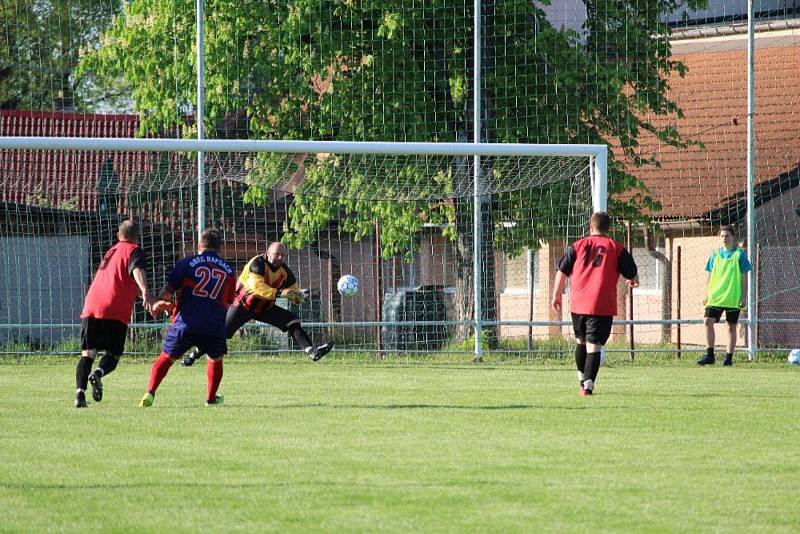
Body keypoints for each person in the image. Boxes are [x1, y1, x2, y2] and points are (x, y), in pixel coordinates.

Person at [179, 241, 332, 367]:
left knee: (292, 320)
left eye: (282, 255)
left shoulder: (285, 272)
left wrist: (299, 298)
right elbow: (257, 288)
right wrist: (280, 294)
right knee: (220, 334)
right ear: (268, 253)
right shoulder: (257, 263)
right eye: (276, 254)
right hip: (243, 305)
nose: (279, 257)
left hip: (265, 308)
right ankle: (192, 356)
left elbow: (293, 291)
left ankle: (312, 351)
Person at [139, 228, 236, 407]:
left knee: (166, 358)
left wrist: (159, 303)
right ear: (220, 248)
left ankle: (149, 393)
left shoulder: (186, 263)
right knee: (215, 360)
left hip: (185, 323)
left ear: (200, 245)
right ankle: (210, 398)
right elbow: (229, 301)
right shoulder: (229, 270)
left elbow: (168, 292)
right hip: (213, 325)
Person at [551, 212, 639, 396]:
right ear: (609, 228)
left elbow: (561, 271)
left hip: (578, 304)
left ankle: (582, 381)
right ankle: (588, 388)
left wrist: (556, 295)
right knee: (594, 346)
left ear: (591, 227)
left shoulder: (577, 246)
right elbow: (632, 273)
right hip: (600, 305)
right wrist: (633, 280)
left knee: (580, 343)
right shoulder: (616, 247)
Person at [75, 220, 155, 408]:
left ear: (118, 235)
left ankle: (79, 395)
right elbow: (136, 269)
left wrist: (144, 295)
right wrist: (145, 291)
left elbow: (123, 277)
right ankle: (99, 373)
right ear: (137, 237)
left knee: (88, 353)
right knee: (113, 355)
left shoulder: (111, 252)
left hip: (92, 306)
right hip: (114, 308)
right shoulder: (133, 250)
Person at [697, 225, 752, 366]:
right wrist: (706, 294)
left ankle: (728, 358)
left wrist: (744, 296)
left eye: (727, 235)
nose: (725, 238)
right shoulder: (715, 254)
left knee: (731, 326)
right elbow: (709, 275)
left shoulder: (740, 255)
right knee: (707, 321)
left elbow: (745, 277)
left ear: (733, 237)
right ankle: (710, 355)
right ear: (719, 238)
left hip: (732, 297)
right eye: (722, 236)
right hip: (715, 296)